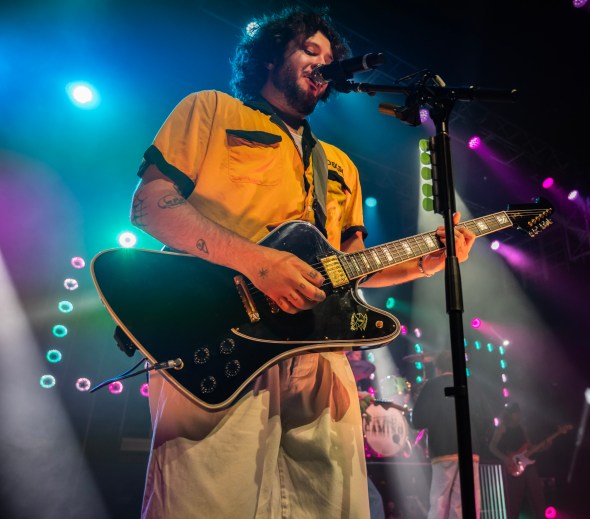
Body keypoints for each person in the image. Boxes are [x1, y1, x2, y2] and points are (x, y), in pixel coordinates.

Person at [129, 6, 476, 518]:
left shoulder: (341, 164)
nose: (323, 62)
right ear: (270, 58)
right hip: (219, 339)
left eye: (329, 57)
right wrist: (259, 264)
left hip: (320, 355)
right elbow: (150, 206)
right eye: (309, 50)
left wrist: (428, 260)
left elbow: (350, 268)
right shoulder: (211, 109)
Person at [411, 349, 490, 519]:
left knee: (439, 502)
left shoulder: (431, 386)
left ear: (438, 368)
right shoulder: (471, 385)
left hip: (443, 449)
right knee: (466, 503)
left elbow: (417, 420)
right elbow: (487, 419)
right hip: (471, 450)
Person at [488, 403, 550, 519]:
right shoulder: (502, 427)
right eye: (517, 413)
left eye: (520, 412)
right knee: (514, 499)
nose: (519, 415)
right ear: (510, 414)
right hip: (513, 465)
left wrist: (542, 447)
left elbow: (528, 446)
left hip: (528, 464)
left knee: (537, 495)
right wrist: (505, 459)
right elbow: (492, 447)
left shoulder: (522, 427)